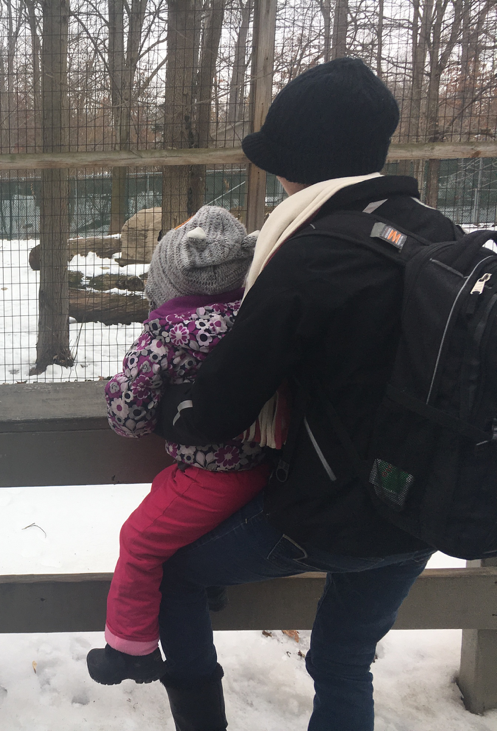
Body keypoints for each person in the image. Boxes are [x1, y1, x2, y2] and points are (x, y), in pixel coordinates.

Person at [152, 57, 460, 731]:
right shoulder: (438, 233)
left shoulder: (307, 252)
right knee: (345, 659)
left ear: (299, 160)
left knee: (172, 569)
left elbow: (222, 406)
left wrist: (166, 399)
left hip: (327, 513)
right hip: (419, 508)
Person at [86, 206, 280, 685]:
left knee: (140, 540)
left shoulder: (163, 338)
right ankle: (210, 585)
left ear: (169, 281)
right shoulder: (261, 320)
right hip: (265, 466)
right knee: (169, 505)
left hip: (214, 477)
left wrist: (117, 389)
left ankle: (130, 650)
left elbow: (129, 420)